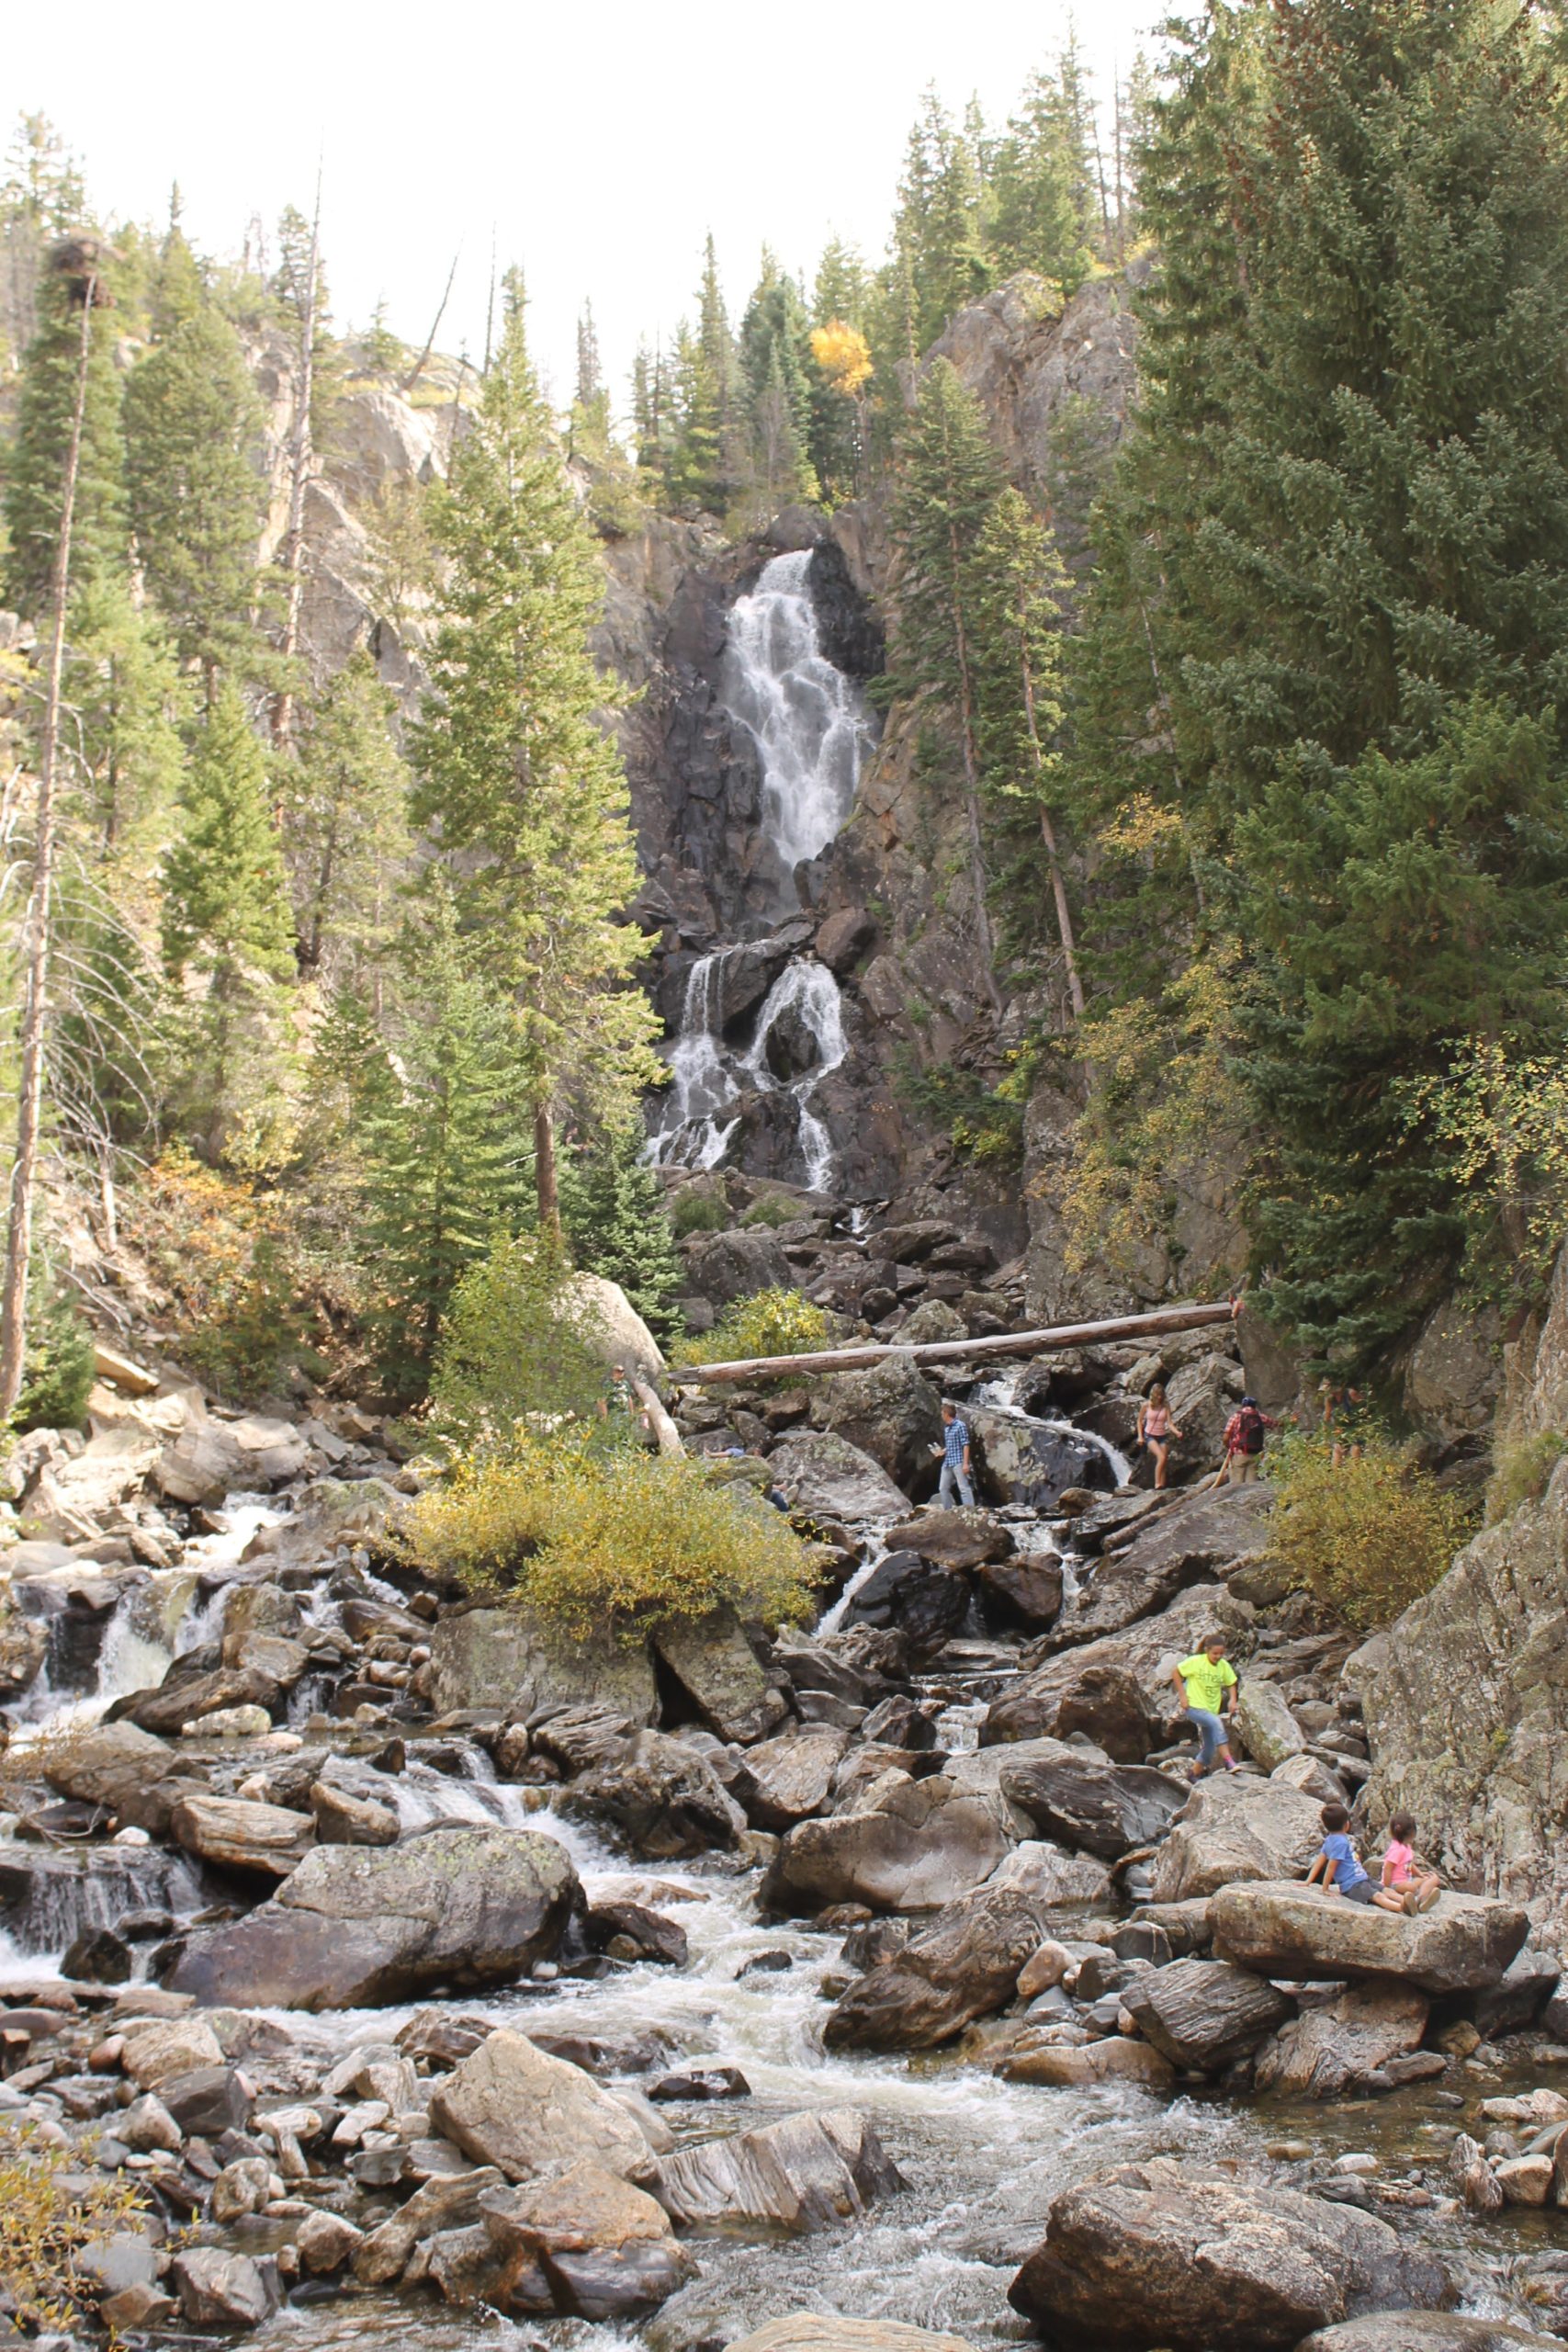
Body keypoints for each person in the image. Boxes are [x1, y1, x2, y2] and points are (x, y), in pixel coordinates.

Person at [1304, 1802, 1404, 1908]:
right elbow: (1331, 1867)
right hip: (1353, 1886)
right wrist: (1325, 1889)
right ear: (1346, 1825)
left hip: (1362, 1879)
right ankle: (1401, 1907)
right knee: (1378, 1896)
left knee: (1386, 1890)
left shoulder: (1330, 1840)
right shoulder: (1340, 1843)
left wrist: (1307, 1881)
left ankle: (1409, 1902)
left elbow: (1318, 1863)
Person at [1171, 1635, 1239, 1780]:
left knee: (1209, 1748)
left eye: (1221, 1654)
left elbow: (1231, 1683)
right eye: (1215, 1653)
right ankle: (1228, 1761)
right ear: (1207, 1651)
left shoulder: (1223, 1666)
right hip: (1194, 1707)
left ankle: (1193, 1774)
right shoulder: (1196, 1662)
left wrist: (1233, 1700)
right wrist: (1182, 1696)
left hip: (1210, 1710)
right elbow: (1176, 1672)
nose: (1218, 1656)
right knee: (1216, 1722)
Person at [1380, 1813, 1442, 1915]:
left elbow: (1409, 1864)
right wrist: (1386, 1887)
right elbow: (1388, 1868)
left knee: (1433, 1878)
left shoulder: (1406, 1847)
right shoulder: (1397, 1850)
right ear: (1412, 1833)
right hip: (1396, 1884)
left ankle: (1422, 1899)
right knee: (1412, 1887)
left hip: (1407, 1880)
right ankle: (1420, 1898)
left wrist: (1420, 1874)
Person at [1136, 1382, 1184, 1490]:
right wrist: (1140, 1436)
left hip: (1161, 1436)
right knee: (1161, 1457)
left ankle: (1162, 1485)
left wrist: (1177, 1432)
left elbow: (1170, 1423)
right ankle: (1157, 1483)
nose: (1159, 1397)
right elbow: (1139, 1421)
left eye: (1161, 1394)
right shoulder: (1146, 1405)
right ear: (1153, 1395)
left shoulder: (1166, 1406)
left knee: (1164, 1460)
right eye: (1157, 1394)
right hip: (1150, 1436)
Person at [1221, 1395, 1275, 1485]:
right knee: (1251, 1484)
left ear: (1243, 1405)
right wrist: (1290, 1420)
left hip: (1240, 1453)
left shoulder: (1236, 1416)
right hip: (1255, 1454)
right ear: (1254, 1406)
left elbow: (1226, 1437)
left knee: (1236, 1485)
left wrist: (1229, 1447)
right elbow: (1275, 1423)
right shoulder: (1260, 1417)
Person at [932, 1400, 976, 1509]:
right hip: (948, 1462)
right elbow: (952, 1445)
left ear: (946, 1414)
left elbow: (965, 1444)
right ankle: (948, 1511)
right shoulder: (947, 1428)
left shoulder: (960, 1425)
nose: (941, 1415)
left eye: (942, 1413)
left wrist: (965, 1464)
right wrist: (942, 1452)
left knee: (963, 1488)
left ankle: (970, 1510)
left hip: (958, 1462)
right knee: (943, 1488)